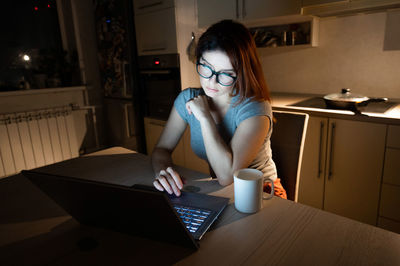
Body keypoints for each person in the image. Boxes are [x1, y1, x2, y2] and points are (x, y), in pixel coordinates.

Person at [151, 20, 287, 199]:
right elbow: (162, 149)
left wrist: (205, 117)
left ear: (241, 73)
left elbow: (227, 176)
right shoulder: (188, 98)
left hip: (263, 193)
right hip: (223, 191)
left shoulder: (255, 108)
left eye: (225, 74)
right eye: (206, 67)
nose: (212, 82)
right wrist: (163, 172)